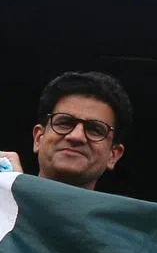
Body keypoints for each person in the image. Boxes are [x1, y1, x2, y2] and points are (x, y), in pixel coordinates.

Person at [1, 71, 131, 190]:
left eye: (94, 130)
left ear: (113, 155)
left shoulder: (130, 216)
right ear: (38, 138)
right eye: (64, 123)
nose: (76, 136)